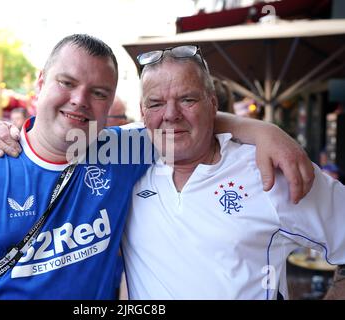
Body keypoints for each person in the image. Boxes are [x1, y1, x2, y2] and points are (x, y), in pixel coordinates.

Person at [0, 35, 313, 300]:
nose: (80, 100)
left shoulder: (120, 151)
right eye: (67, 83)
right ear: (40, 83)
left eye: (98, 92)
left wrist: (262, 129)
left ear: (112, 104)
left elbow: (181, 123)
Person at [118, 46, 345, 299]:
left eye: (188, 100)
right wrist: (262, 128)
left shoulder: (267, 169)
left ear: (212, 104)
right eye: (156, 103)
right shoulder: (126, 168)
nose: (170, 114)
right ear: (142, 112)